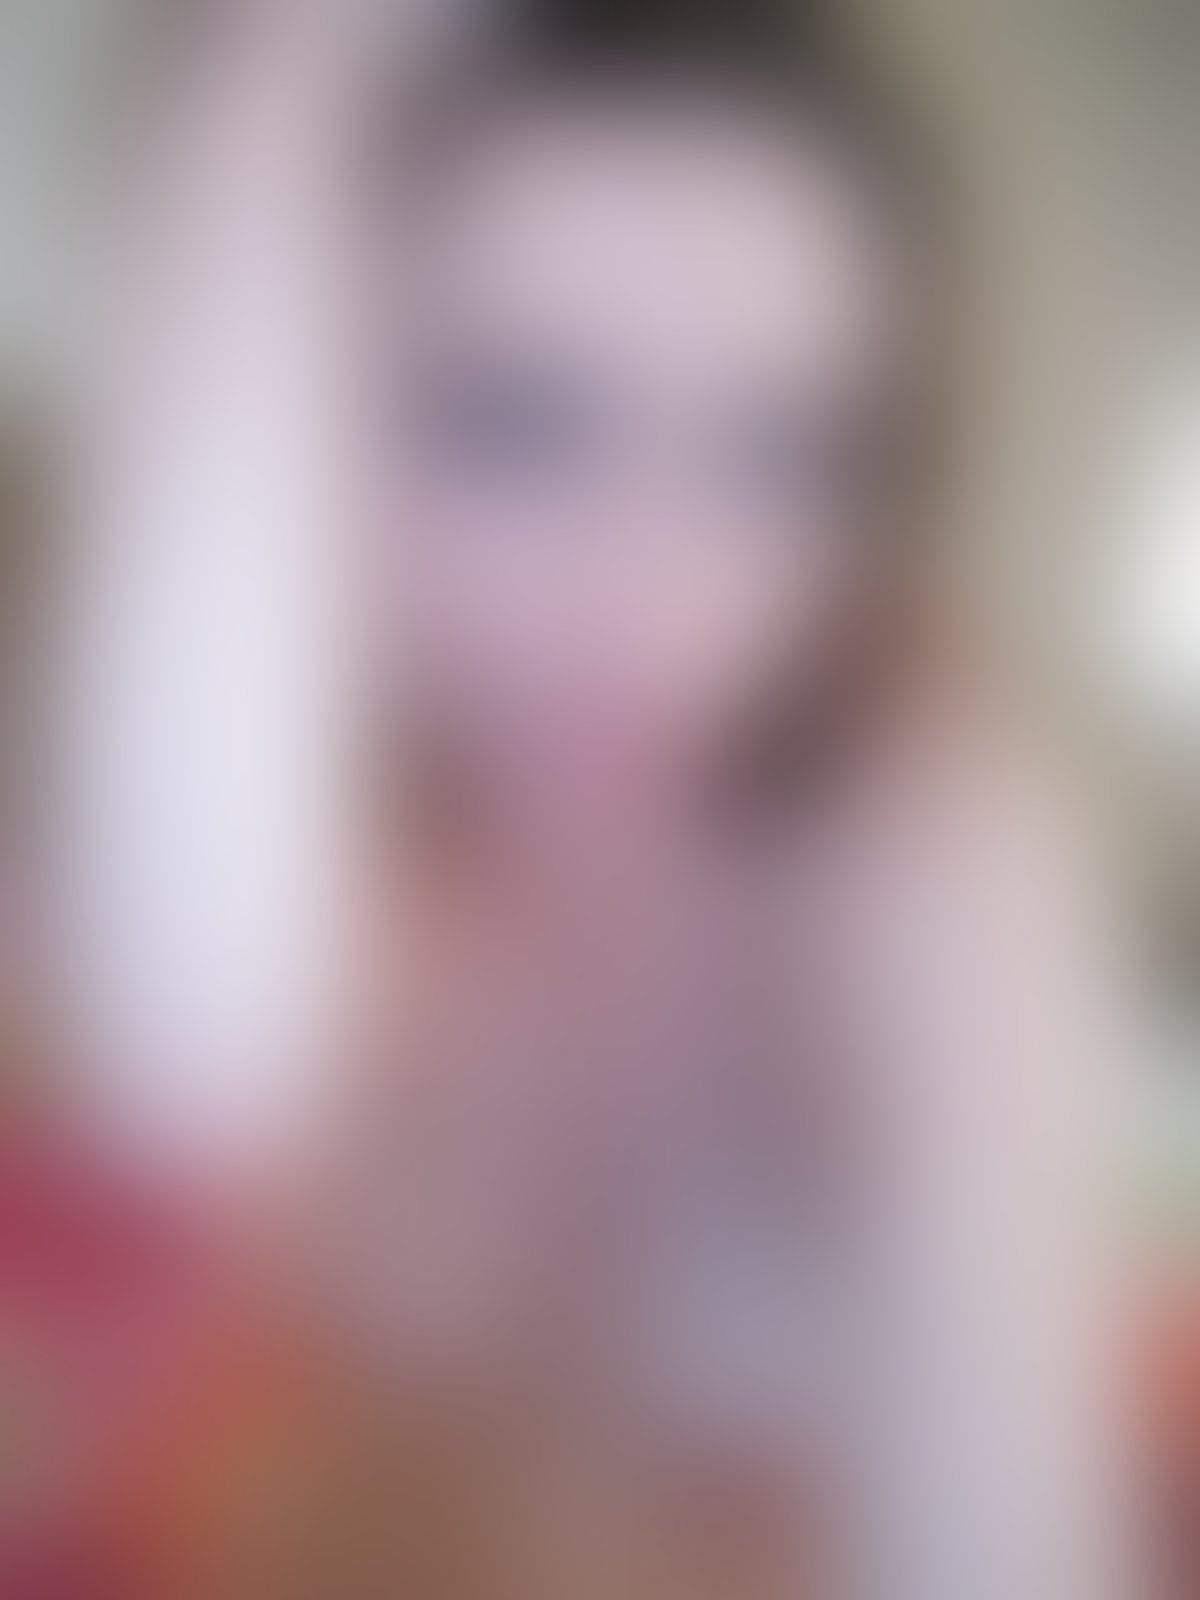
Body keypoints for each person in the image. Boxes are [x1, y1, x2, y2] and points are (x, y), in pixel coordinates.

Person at [46, 2, 1132, 1595]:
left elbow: (994, 1534)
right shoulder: (293, 772)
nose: (650, 589)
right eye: (518, 420)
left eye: (780, 451)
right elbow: (185, 1051)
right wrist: (278, 80)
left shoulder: (917, 837)